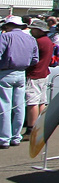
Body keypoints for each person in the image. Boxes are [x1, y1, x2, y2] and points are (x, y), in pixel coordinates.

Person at [1, 17, 41, 147]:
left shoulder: (6, 37)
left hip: (5, 72)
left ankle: (4, 138)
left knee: (5, 106)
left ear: (9, 26)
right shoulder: (30, 39)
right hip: (21, 73)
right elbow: (35, 59)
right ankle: (16, 136)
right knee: (19, 106)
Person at [24, 19, 56, 133]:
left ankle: (31, 128)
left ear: (39, 30)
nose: (31, 31)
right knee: (41, 101)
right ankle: (40, 126)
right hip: (43, 73)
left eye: (33, 29)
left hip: (35, 74)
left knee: (32, 102)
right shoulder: (47, 40)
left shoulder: (38, 42)